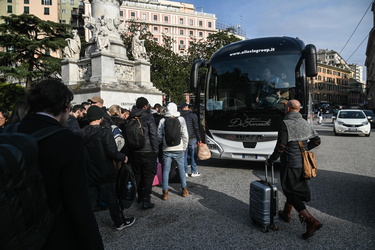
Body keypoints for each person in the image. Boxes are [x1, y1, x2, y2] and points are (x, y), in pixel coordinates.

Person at [16, 79, 104, 249]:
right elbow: (79, 203)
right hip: (53, 233)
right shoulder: (67, 141)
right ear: (65, 106)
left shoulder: (11, 131)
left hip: (15, 226)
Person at [265, 99, 322, 240]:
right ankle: (286, 213)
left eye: (285, 107)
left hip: (290, 164)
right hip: (303, 163)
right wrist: (303, 149)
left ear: (288, 109)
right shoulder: (304, 122)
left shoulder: (285, 123)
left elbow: (280, 147)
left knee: (290, 191)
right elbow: (317, 140)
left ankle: (310, 220)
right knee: (294, 189)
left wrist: (271, 160)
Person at [82, 105, 135, 230]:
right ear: (100, 118)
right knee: (112, 199)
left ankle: (84, 225)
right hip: (104, 170)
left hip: (89, 171)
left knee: (90, 201)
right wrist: (123, 157)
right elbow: (112, 152)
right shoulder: (104, 132)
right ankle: (119, 222)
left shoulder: (81, 132)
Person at [127, 97, 159, 209]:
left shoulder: (130, 117)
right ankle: (146, 199)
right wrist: (156, 151)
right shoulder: (149, 117)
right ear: (145, 106)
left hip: (135, 150)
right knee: (148, 176)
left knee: (138, 175)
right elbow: (153, 135)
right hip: (148, 150)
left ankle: (140, 196)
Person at [158, 102, 189, 200]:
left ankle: (165, 192)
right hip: (179, 148)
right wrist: (184, 147)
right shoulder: (181, 119)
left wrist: (162, 143)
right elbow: (185, 135)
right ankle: (184, 189)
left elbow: (158, 135)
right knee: (181, 169)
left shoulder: (163, 120)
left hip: (166, 149)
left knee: (166, 170)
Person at [180, 103, 202, 177]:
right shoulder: (193, 115)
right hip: (192, 137)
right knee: (193, 155)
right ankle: (193, 171)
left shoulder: (179, 116)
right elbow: (196, 127)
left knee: (184, 155)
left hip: (183, 138)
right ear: (186, 107)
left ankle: (185, 171)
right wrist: (199, 138)